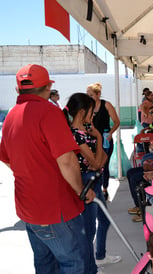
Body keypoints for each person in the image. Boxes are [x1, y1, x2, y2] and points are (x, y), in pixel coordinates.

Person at [0, 64, 95, 273]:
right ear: (48, 88)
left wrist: (31, 173)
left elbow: (7, 159)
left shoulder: (10, 117)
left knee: (44, 264)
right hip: (55, 208)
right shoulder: (49, 112)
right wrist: (82, 190)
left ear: (18, 90)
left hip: (28, 207)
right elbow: (67, 160)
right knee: (73, 264)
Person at [63, 93, 121, 271]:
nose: (93, 114)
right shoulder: (76, 135)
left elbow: (103, 160)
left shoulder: (87, 130)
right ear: (82, 112)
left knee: (104, 221)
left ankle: (100, 256)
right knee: (89, 231)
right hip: (86, 183)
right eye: (91, 111)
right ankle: (89, 268)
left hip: (95, 179)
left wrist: (97, 143)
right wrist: (99, 139)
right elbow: (97, 162)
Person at [87, 82, 120, 201]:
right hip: (91, 140)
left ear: (98, 94)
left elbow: (117, 121)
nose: (89, 97)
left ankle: (104, 188)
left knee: (104, 164)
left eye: (91, 95)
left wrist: (110, 133)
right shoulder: (87, 107)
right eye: (87, 95)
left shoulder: (106, 105)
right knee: (92, 164)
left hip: (105, 139)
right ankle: (95, 188)